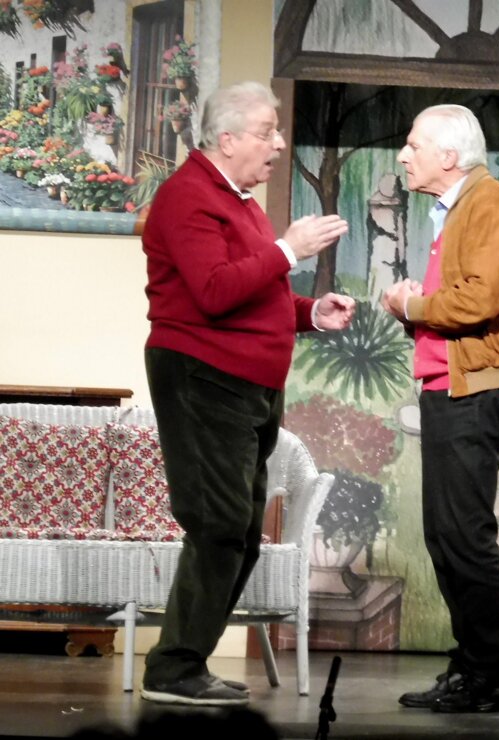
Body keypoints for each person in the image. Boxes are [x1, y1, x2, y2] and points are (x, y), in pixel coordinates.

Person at [139, 81, 355, 706]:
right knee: (220, 524)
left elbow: (253, 293)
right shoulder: (188, 196)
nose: (279, 144)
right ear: (227, 139)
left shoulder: (240, 203)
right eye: (267, 132)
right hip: (203, 377)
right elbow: (213, 291)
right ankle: (174, 669)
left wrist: (312, 313)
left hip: (248, 385)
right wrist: (289, 249)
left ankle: (185, 664)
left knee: (239, 531)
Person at [380, 104, 499, 713]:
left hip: (479, 388)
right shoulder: (460, 208)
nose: (404, 156)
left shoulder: (490, 204)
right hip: (454, 385)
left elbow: (479, 299)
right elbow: (464, 301)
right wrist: (417, 307)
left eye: (414, 145)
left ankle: (487, 678)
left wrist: (411, 305)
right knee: (446, 536)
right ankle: (472, 668)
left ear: (448, 156)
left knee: (465, 536)